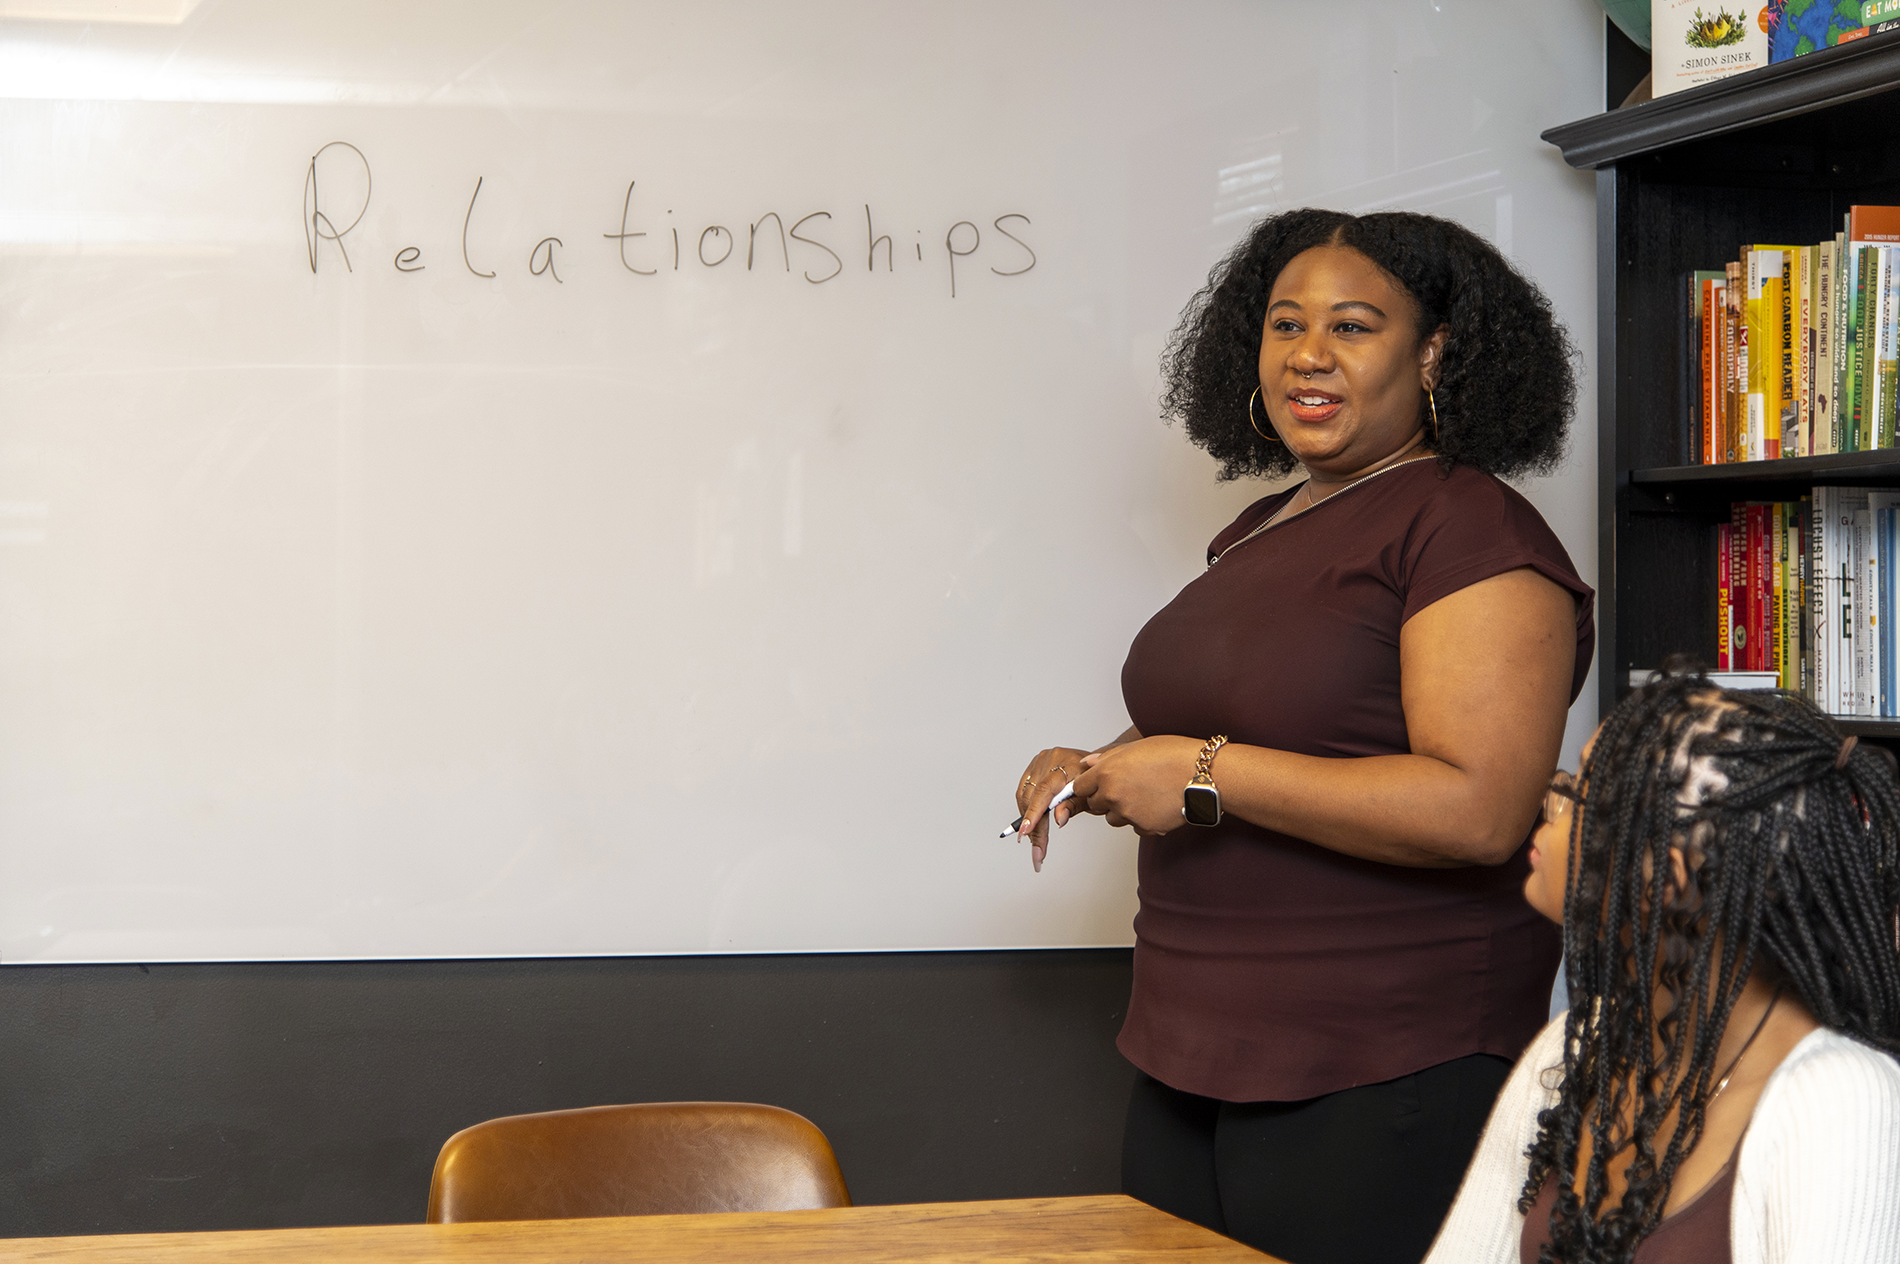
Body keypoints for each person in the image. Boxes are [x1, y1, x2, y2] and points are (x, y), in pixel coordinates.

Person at [1010, 207, 1594, 1264]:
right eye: (1284, 325)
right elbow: (1267, 716)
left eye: (1354, 325)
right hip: (1192, 1043)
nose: (1308, 355)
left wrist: (1195, 773)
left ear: (1435, 355)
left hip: (1383, 1063)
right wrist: (1100, 763)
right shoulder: (1262, 525)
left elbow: (1479, 809)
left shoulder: (1471, 528)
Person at [1425, 672, 1900, 1263]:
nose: (1553, 797)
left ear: (1665, 881)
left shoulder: (1841, 1100)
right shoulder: (1574, 1049)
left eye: (1582, 794)